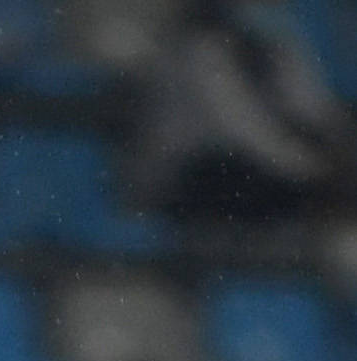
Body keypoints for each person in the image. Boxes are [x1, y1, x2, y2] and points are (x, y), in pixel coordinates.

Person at [136, 0, 357, 230]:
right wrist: (310, 168)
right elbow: (244, 128)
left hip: (268, 165)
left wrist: (343, 146)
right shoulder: (199, 48)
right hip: (193, 174)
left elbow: (313, 107)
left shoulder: (272, 43)